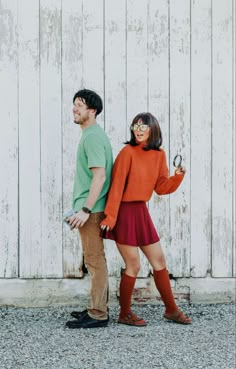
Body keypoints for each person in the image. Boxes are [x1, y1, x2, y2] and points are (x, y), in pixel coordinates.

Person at [100, 112, 191, 326]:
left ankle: (171, 310)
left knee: (159, 261)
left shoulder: (159, 155)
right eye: (135, 125)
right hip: (123, 212)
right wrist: (110, 217)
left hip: (141, 211)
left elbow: (160, 187)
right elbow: (116, 187)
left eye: (143, 126)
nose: (138, 129)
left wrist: (177, 177)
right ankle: (124, 313)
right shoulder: (127, 152)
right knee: (133, 265)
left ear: (153, 129)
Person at [65, 89, 113, 329]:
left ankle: (98, 314)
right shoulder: (91, 135)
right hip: (91, 209)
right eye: (74, 104)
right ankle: (97, 307)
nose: (75, 108)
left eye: (80, 105)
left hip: (92, 210)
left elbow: (100, 176)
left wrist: (84, 209)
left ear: (92, 111)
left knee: (94, 260)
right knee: (95, 259)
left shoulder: (92, 137)